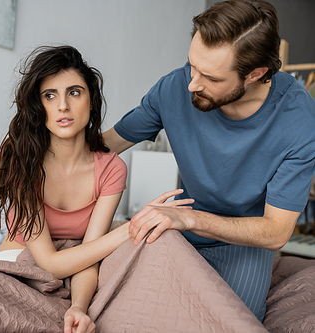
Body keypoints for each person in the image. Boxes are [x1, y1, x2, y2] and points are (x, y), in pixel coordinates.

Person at [103, 0, 315, 322]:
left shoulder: (298, 120)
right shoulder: (174, 88)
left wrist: (189, 219)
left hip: (243, 241)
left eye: (211, 78)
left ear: (255, 74)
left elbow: (275, 232)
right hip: (177, 233)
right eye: (192, 65)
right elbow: (106, 145)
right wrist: (32, 147)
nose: (192, 84)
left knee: (228, 321)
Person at [0, 45, 193, 333]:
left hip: (81, 267)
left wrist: (79, 307)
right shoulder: (19, 158)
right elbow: (50, 263)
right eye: (50, 95)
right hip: (22, 265)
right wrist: (134, 225)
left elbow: (91, 253)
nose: (63, 106)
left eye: (74, 92)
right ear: (39, 106)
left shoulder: (111, 168)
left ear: (91, 101)